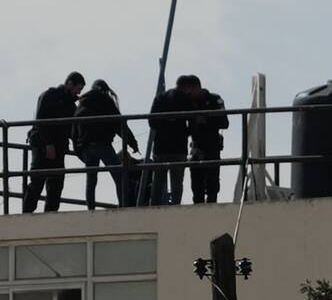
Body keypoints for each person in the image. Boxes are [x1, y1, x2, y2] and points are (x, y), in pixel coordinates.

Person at [22, 71, 85, 213]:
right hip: (42, 144)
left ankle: (50, 216)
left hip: (59, 148)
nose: (78, 92)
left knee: (56, 185)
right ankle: (26, 215)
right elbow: (40, 121)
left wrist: (80, 150)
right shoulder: (50, 95)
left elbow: (73, 132)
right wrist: (48, 144)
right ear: (69, 84)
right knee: (37, 182)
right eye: (77, 89)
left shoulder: (71, 106)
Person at [74, 79, 140, 210]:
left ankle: (90, 209)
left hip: (86, 146)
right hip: (102, 145)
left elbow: (74, 128)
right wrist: (133, 143)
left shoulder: (83, 102)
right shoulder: (106, 100)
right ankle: (123, 206)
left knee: (91, 180)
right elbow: (120, 124)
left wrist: (79, 149)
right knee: (119, 176)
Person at [147, 74, 202, 205]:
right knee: (177, 181)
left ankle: (153, 206)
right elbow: (193, 122)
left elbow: (151, 122)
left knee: (158, 181)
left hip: (161, 147)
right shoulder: (185, 100)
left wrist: (164, 127)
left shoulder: (160, 98)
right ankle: (175, 206)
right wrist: (186, 132)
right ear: (187, 87)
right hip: (178, 147)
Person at [189, 87, 229, 204]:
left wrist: (207, 119)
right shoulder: (190, 102)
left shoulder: (215, 100)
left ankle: (211, 208)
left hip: (212, 146)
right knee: (196, 186)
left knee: (212, 185)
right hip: (196, 148)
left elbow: (224, 123)